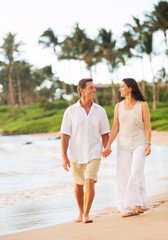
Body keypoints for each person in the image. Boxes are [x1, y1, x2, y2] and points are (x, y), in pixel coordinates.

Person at [60, 78, 110, 223]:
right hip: (75, 153)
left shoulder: (100, 111)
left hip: (94, 152)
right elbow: (65, 135)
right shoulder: (70, 111)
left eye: (94, 88)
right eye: (91, 88)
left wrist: (106, 148)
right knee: (78, 185)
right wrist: (64, 156)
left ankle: (86, 214)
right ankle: (80, 212)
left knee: (89, 181)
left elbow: (105, 133)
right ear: (81, 91)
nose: (94, 90)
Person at [101, 78, 151, 217]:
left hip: (139, 143)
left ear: (130, 88)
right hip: (123, 145)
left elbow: (147, 126)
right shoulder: (118, 106)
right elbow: (115, 127)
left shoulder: (142, 105)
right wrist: (108, 145)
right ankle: (129, 208)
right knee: (123, 176)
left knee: (135, 171)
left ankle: (138, 203)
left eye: (122, 86)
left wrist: (148, 143)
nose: (120, 89)